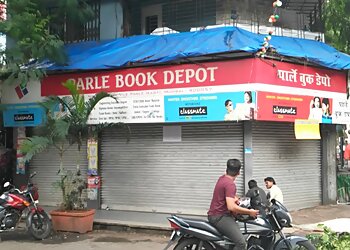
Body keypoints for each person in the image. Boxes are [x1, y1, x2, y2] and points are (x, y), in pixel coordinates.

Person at [208, 159, 259, 249]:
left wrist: (236, 198)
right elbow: (231, 207)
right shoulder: (230, 184)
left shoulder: (223, 178)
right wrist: (249, 212)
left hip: (215, 214)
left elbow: (226, 194)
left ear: (226, 169)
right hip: (220, 217)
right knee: (241, 243)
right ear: (239, 172)